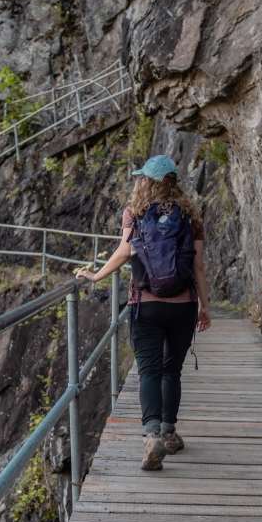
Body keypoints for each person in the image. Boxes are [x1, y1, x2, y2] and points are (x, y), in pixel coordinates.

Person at [76, 154, 211, 471]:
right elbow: (199, 266)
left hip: (145, 304)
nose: (139, 181)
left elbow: (125, 252)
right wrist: (205, 306)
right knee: (171, 371)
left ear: (148, 182)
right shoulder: (191, 217)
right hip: (183, 306)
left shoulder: (134, 213)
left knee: (149, 371)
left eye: (142, 178)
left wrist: (96, 275)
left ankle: (151, 436)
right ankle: (169, 433)